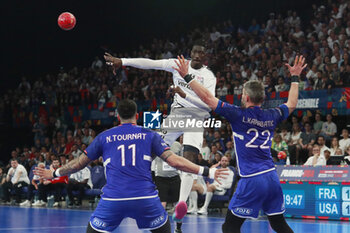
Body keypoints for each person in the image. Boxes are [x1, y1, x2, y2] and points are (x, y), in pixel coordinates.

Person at [34, 99, 227, 233]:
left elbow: (78, 163)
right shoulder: (150, 135)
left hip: (113, 199)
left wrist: (54, 172)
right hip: (145, 198)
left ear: (118, 116)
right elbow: (175, 161)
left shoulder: (104, 136)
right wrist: (208, 170)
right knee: (165, 228)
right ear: (137, 115)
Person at [172, 55, 306, 233]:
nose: (241, 96)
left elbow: (207, 97)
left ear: (247, 97)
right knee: (278, 224)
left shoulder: (237, 114)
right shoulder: (272, 115)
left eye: (243, 93)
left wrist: (187, 76)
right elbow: (292, 103)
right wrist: (295, 78)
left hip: (251, 180)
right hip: (272, 177)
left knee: (230, 227)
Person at [104, 42, 217, 233]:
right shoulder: (177, 64)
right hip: (178, 114)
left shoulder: (208, 76)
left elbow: (209, 106)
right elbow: (150, 63)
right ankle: (133, 190)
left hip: (197, 116)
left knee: (189, 160)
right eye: (195, 52)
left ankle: (181, 208)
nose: (197, 55)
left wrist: (184, 94)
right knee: (149, 151)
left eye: (201, 53)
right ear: (190, 54)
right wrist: (122, 61)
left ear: (206, 57)